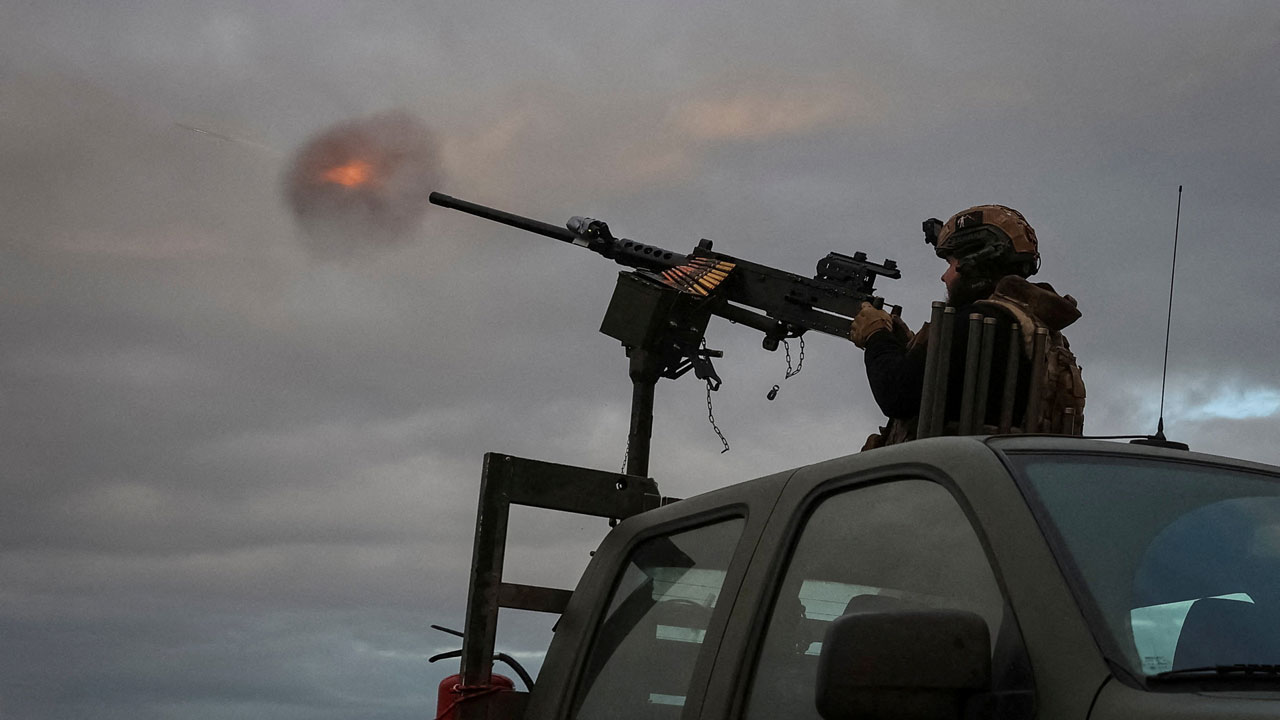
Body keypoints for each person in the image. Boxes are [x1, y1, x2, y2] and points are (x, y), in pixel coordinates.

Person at [849, 205, 1085, 449]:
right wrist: (903, 343)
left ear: (976, 262)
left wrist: (875, 335)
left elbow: (897, 393)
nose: (945, 276)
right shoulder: (1033, 328)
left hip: (948, 474)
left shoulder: (979, 321)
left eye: (951, 263)